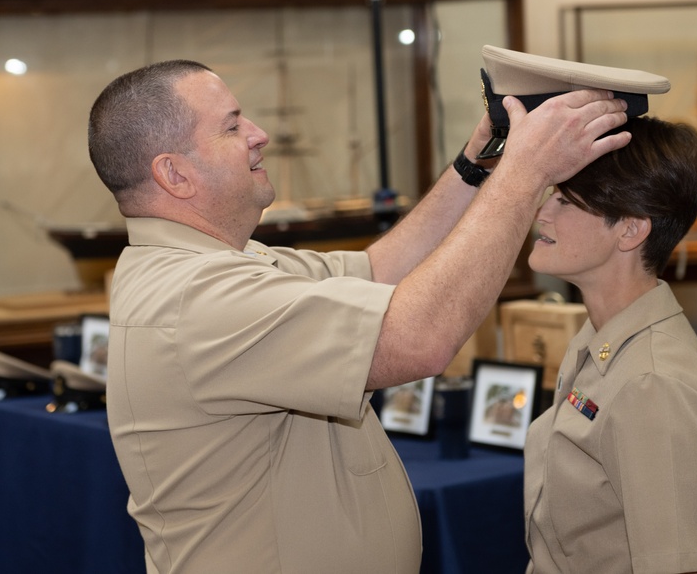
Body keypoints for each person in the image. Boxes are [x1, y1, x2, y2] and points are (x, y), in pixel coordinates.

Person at [87, 57, 630, 573]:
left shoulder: (227, 264)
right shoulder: (198, 298)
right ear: (174, 175)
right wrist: (526, 173)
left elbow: (381, 269)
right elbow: (419, 339)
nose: (259, 134)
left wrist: (479, 165)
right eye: (231, 128)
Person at [522, 114, 697, 574]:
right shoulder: (601, 342)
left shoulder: (653, 385)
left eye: (566, 200)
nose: (542, 211)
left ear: (630, 229)